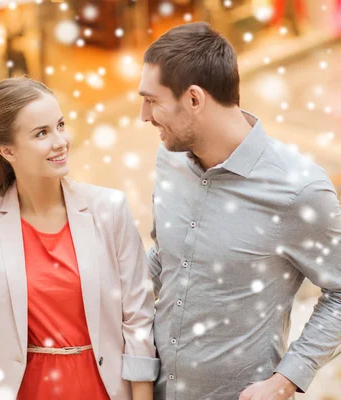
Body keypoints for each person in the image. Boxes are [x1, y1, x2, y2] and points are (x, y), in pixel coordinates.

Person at [0, 77, 159, 399]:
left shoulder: (109, 210)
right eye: (42, 133)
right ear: (7, 150)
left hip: (103, 389)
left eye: (60, 125)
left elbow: (137, 320)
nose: (60, 141)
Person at [138, 22, 341, 399]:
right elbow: (163, 258)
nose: (143, 115)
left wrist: (285, 382)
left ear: (194, 99)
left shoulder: (300, 190)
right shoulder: (169, 162)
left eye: (152, 100)